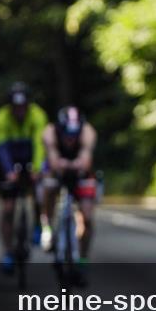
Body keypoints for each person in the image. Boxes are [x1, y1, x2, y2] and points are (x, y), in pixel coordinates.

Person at [0, 81, 49, 273]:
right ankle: (8, 252)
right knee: (8, 209)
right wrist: (8, 171)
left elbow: (41, 145)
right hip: (11, 160)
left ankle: (37, 224)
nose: (20, 111)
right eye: (16, 108)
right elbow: (0, 148)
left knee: (41, 192)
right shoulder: (1, 118)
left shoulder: (38, 115)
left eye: (23, 107)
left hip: (31, 157)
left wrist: (38, 168)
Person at [41, 106, 99, 279]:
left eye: (74, 135)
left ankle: (82, 257)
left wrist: (77, 164)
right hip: (58, 172)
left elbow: (86, 157)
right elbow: (52, 157)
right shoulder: (50, 131)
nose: (70, 139)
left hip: (80, 173)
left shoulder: (88, 131)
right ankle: (48, 229)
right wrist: (60, 164)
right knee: (48, 188)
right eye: (66, 135)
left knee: (87, 217)